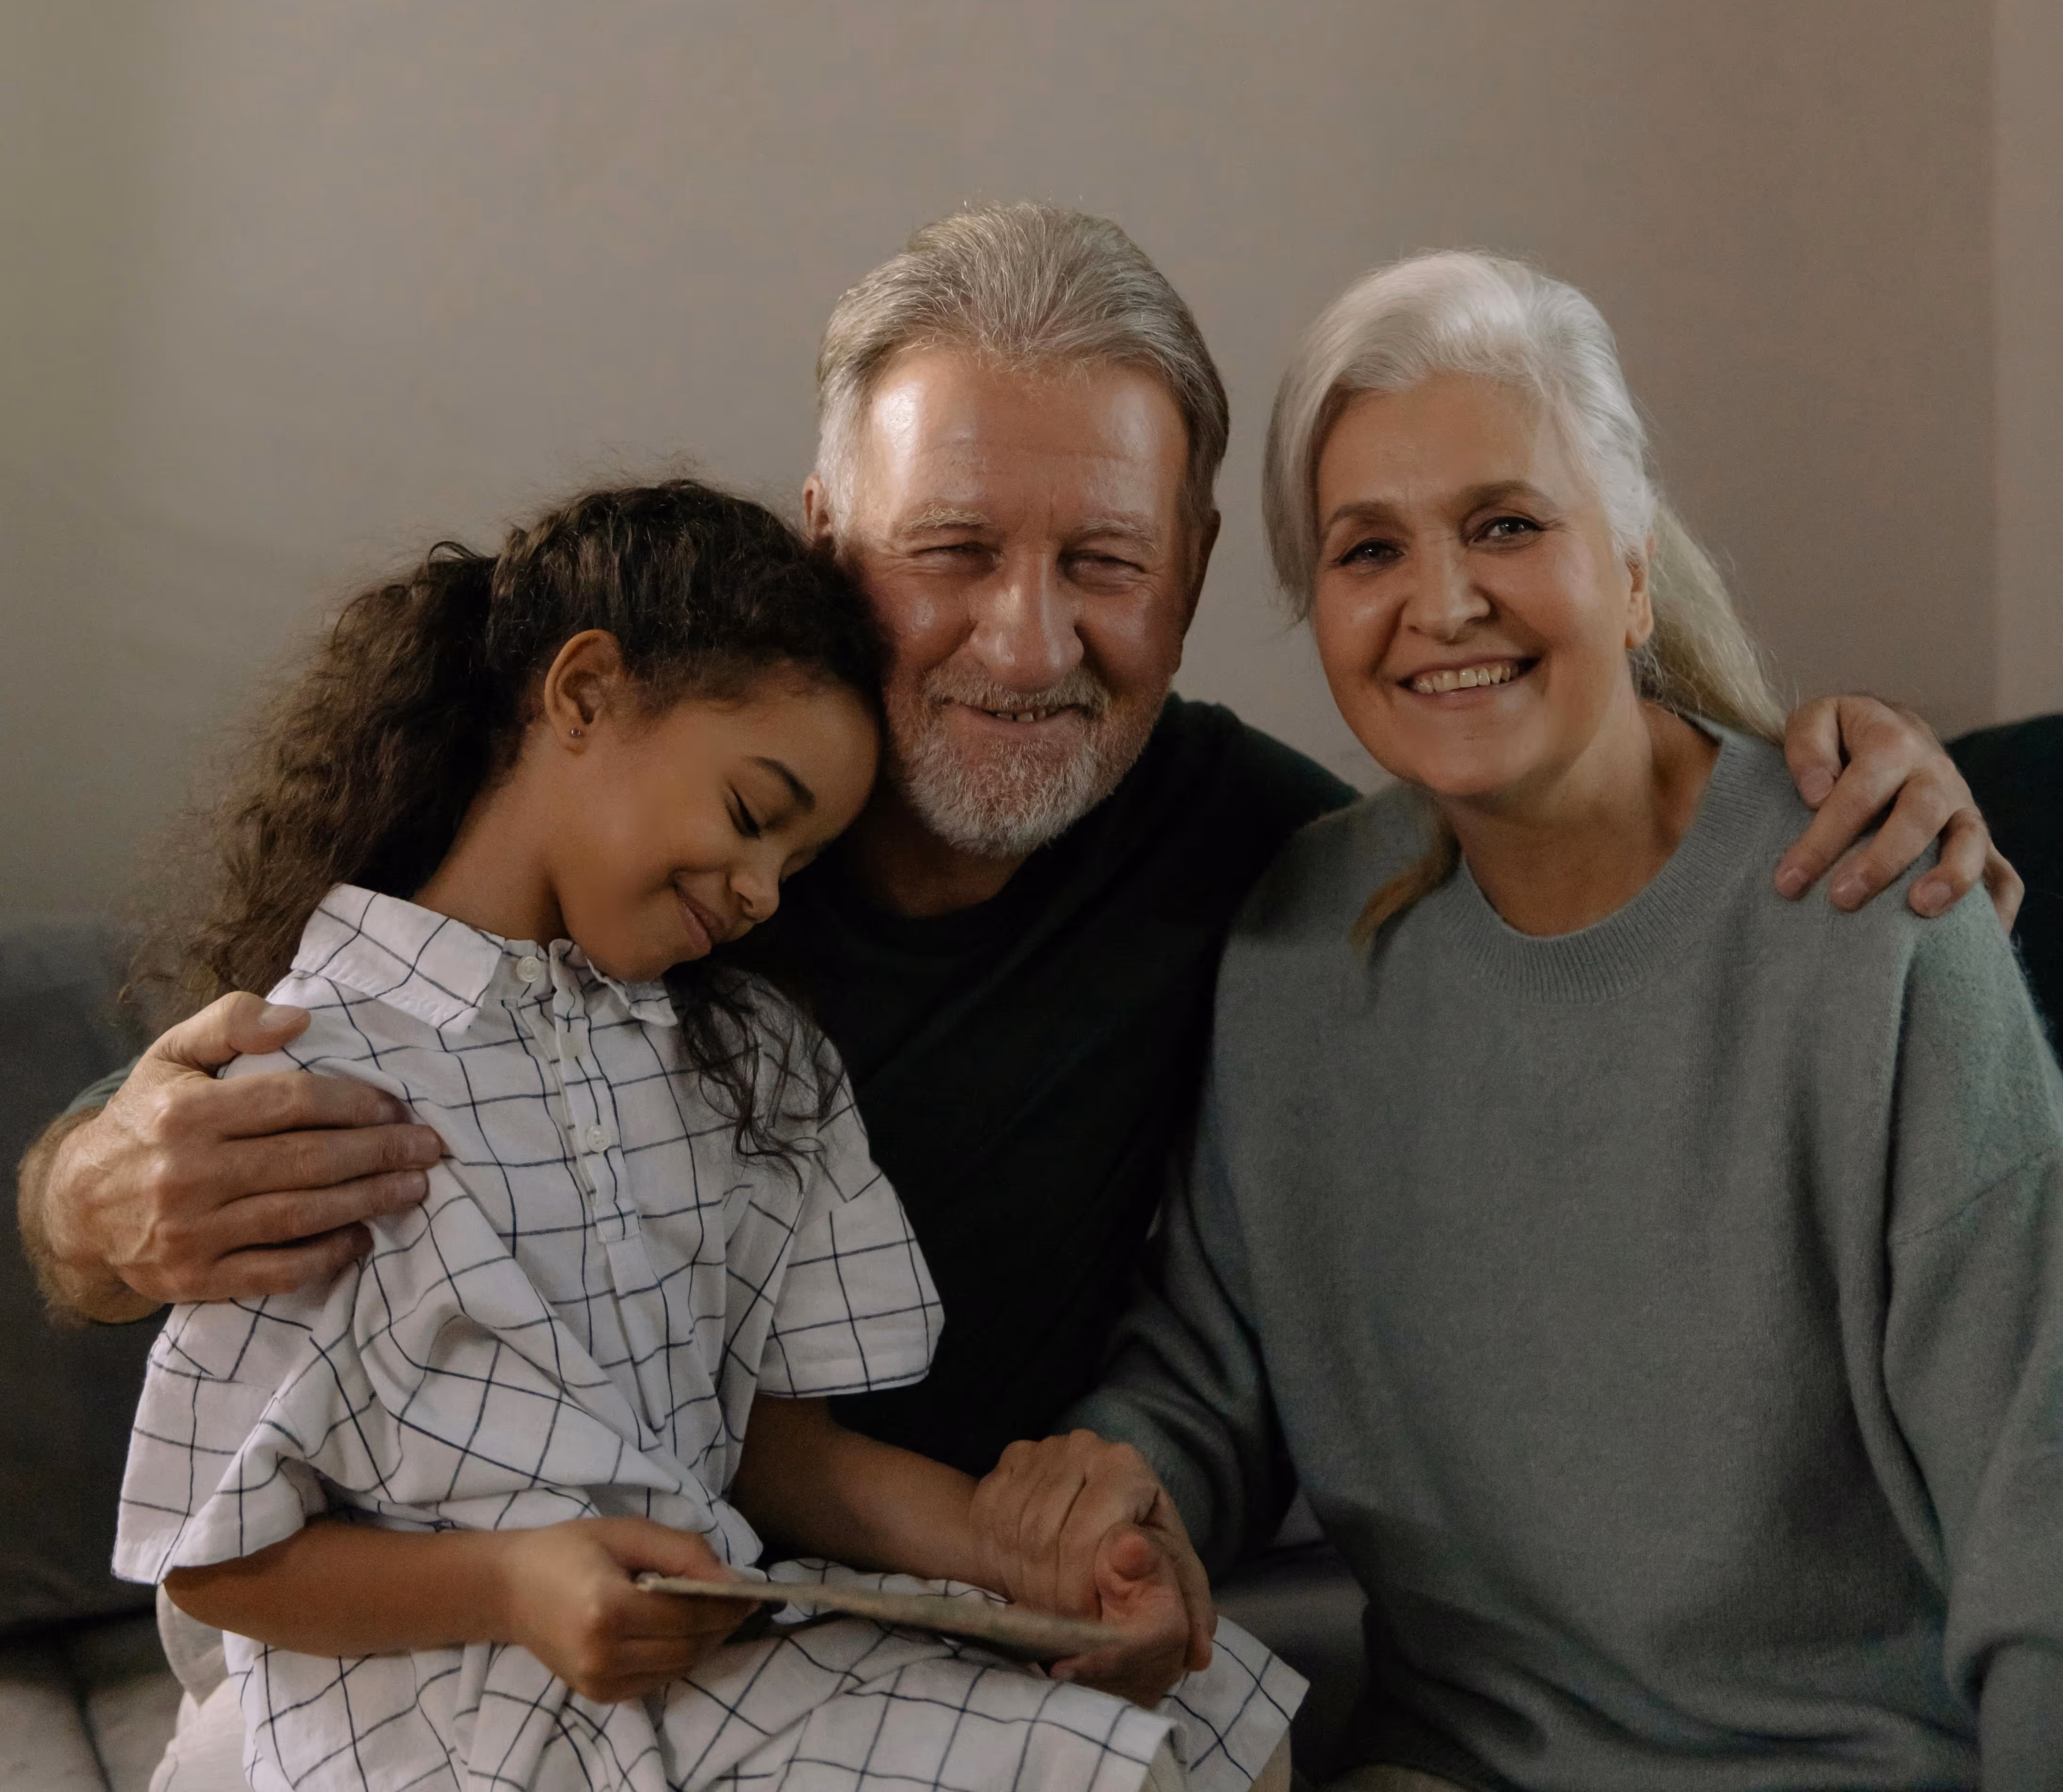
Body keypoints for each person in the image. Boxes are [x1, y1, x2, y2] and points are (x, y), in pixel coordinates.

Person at [13, 208, 2020, 1759]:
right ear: (826, 537)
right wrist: (89, 1196)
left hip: (953, 1627)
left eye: (1106, 562)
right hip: (529, 1652)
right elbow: (251, 1129)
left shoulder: (1288, 876)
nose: (1027, 638)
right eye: (952, 548)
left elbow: (1541, 814)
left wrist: (1834, 758)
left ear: (1213, 567)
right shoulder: (640, 865)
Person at [985, 252, 2063, 1790]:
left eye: (1505, 524)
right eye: (1368, 550)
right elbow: (1213, 1370)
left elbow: (2046, 1524)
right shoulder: (1298, 941)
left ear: (1630, 570)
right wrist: (1116, 1492)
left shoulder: (1876, 923)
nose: (1442, 603)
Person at [114, 478, 1300, 1792]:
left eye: (796, 864)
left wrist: (1022, 1559)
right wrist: (515, 1585)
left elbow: (773, 1452)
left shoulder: (744, 1057)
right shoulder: (305, 1080)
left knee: (1223, 1707)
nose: (758, 893)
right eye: (751, 814)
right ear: (581, 697)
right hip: (438, 1717)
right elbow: (216, 1558)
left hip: (693, 1661)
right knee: (1107, 1773)